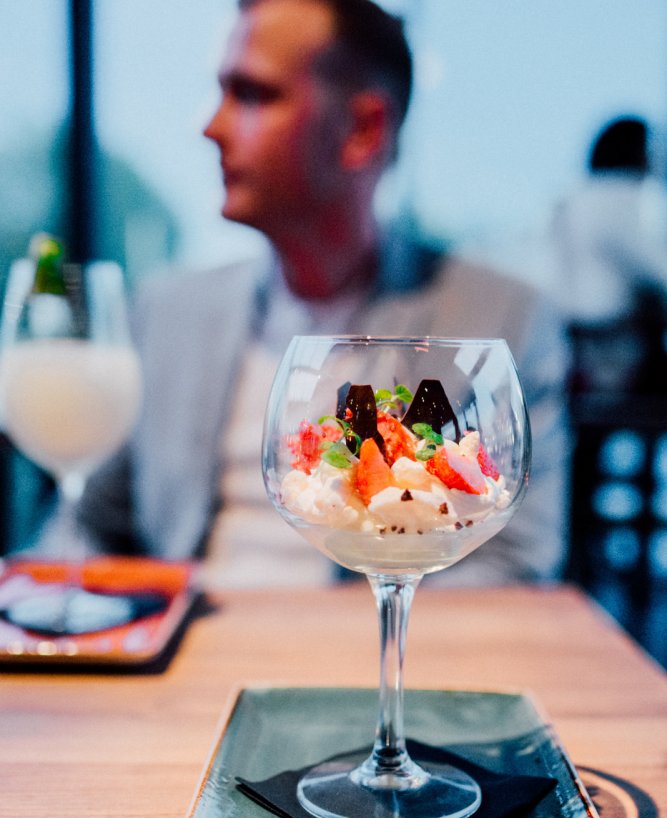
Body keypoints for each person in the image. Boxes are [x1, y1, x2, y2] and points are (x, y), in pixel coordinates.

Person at [69, 0, 570, 588]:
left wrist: (362, 626)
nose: (211, 127)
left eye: (252, 94)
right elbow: (86, 527)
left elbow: (514, 562)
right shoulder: (167, 313)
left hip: (376, 639)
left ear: (363, 130)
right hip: (190, 635)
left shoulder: (500, 318)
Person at [550, 115, 667, 391]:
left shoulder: (574, 198)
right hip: (613, 342)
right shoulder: (618, 196)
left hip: (575, 338)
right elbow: (655, 269)